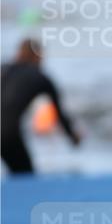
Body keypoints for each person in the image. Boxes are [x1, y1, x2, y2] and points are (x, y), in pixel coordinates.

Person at [1, 38, 80, 174]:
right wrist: (72, 136)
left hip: (7, 132)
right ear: (38, 56)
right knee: (25, 176)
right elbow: (59, 113)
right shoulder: (40, 78)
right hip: (7, 133)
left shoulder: (3, 70)